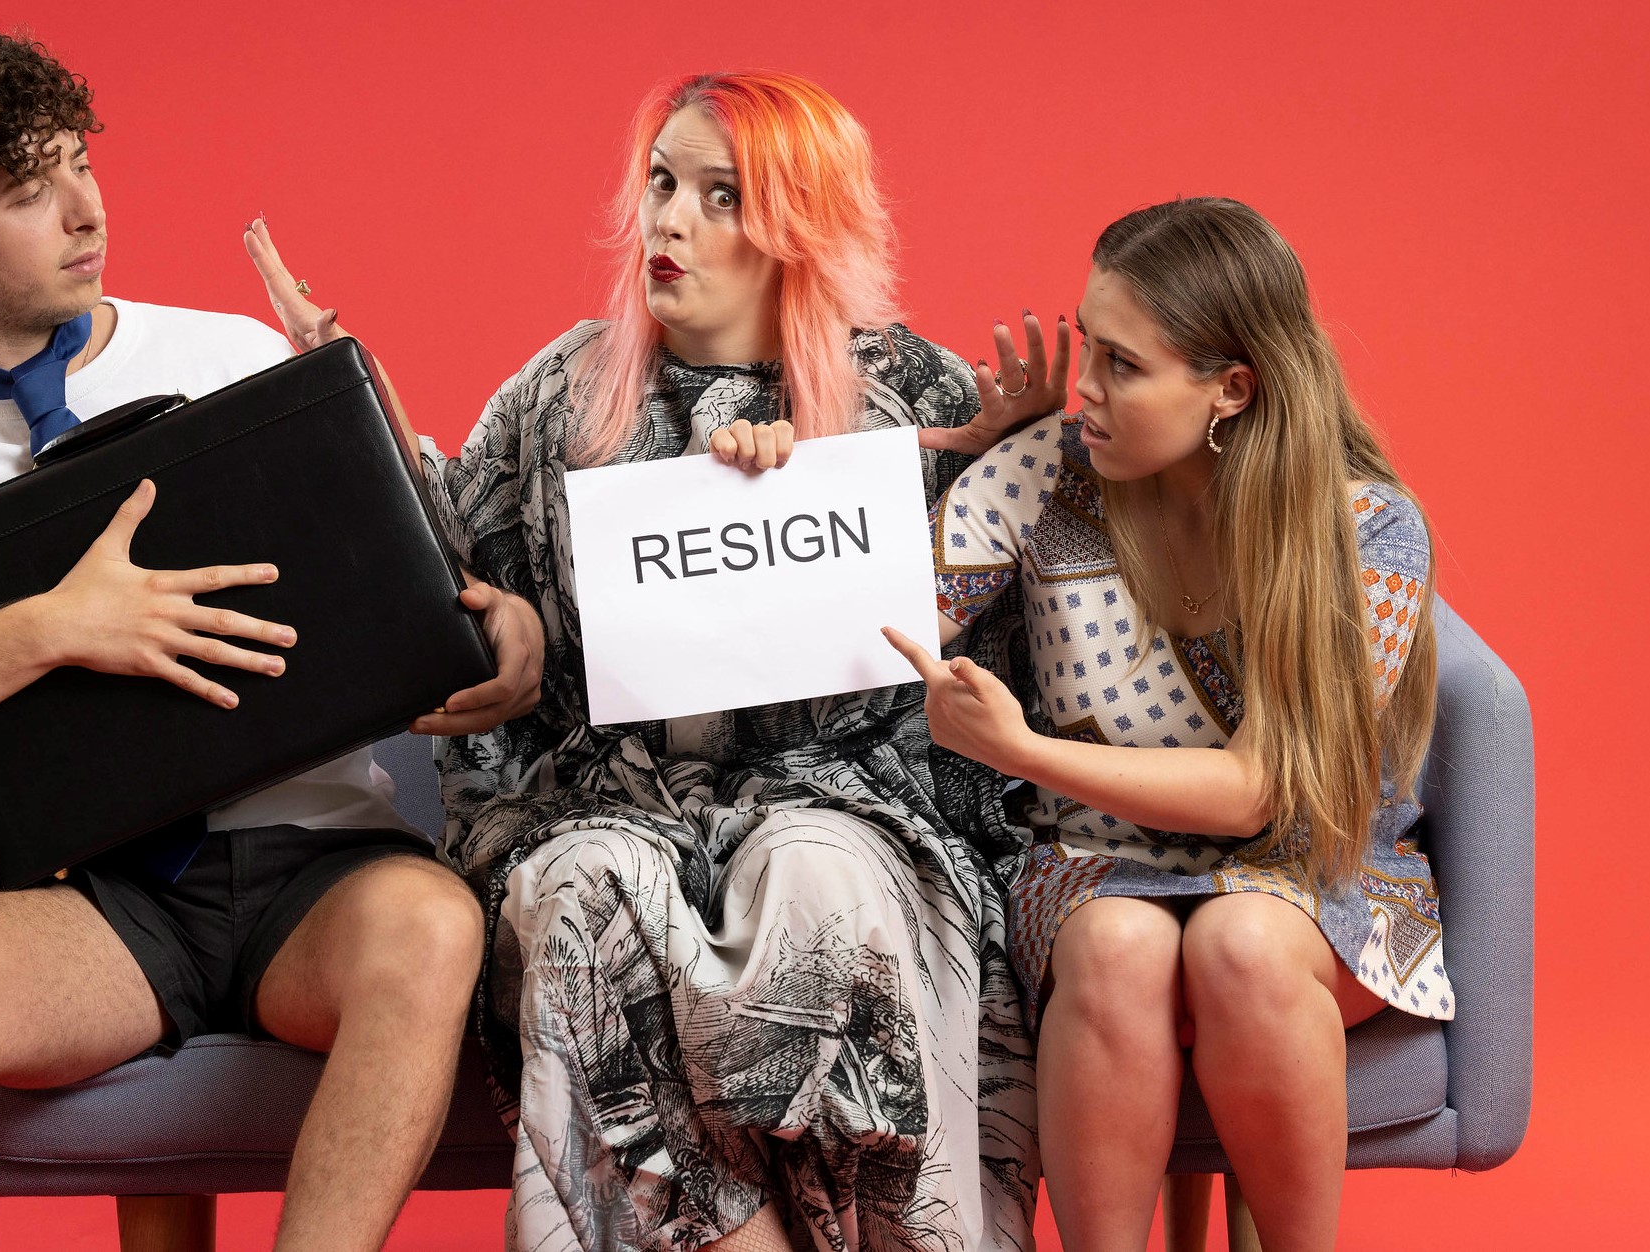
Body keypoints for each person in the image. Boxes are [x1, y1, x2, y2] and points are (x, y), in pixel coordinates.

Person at [0, 26, 545, 1252]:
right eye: (27, 191)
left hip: (318, 869)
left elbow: (429, 584)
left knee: (431, 927)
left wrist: (508, 631)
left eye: (80, 165)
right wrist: (53, 627)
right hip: (102, 907)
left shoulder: (232, 359)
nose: (83, 212)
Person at [251, 72, 1070, 1252]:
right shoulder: (560, 394)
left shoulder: (918, 396)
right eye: (661, 182)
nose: (669, 220)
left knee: (818, 877)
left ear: (795, 221)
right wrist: (351, 410)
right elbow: (454, 578)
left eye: (720, 196)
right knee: (577, 895)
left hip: (843, 795)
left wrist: (1012, 458)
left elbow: (1008, 625)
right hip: (602, 795)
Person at [887, 196, 1447, 1252]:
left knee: (1243, 943)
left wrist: (1017, 748)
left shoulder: (1363, 523)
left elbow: (1261, 791)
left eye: (1123, 365)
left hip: (1314, 868)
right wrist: (947, 453)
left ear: (1230, 389)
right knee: (1118, 945)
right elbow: (864, 621)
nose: (1081, 387)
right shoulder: (1045, 465)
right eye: (1086, 343)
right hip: (1097, 861)